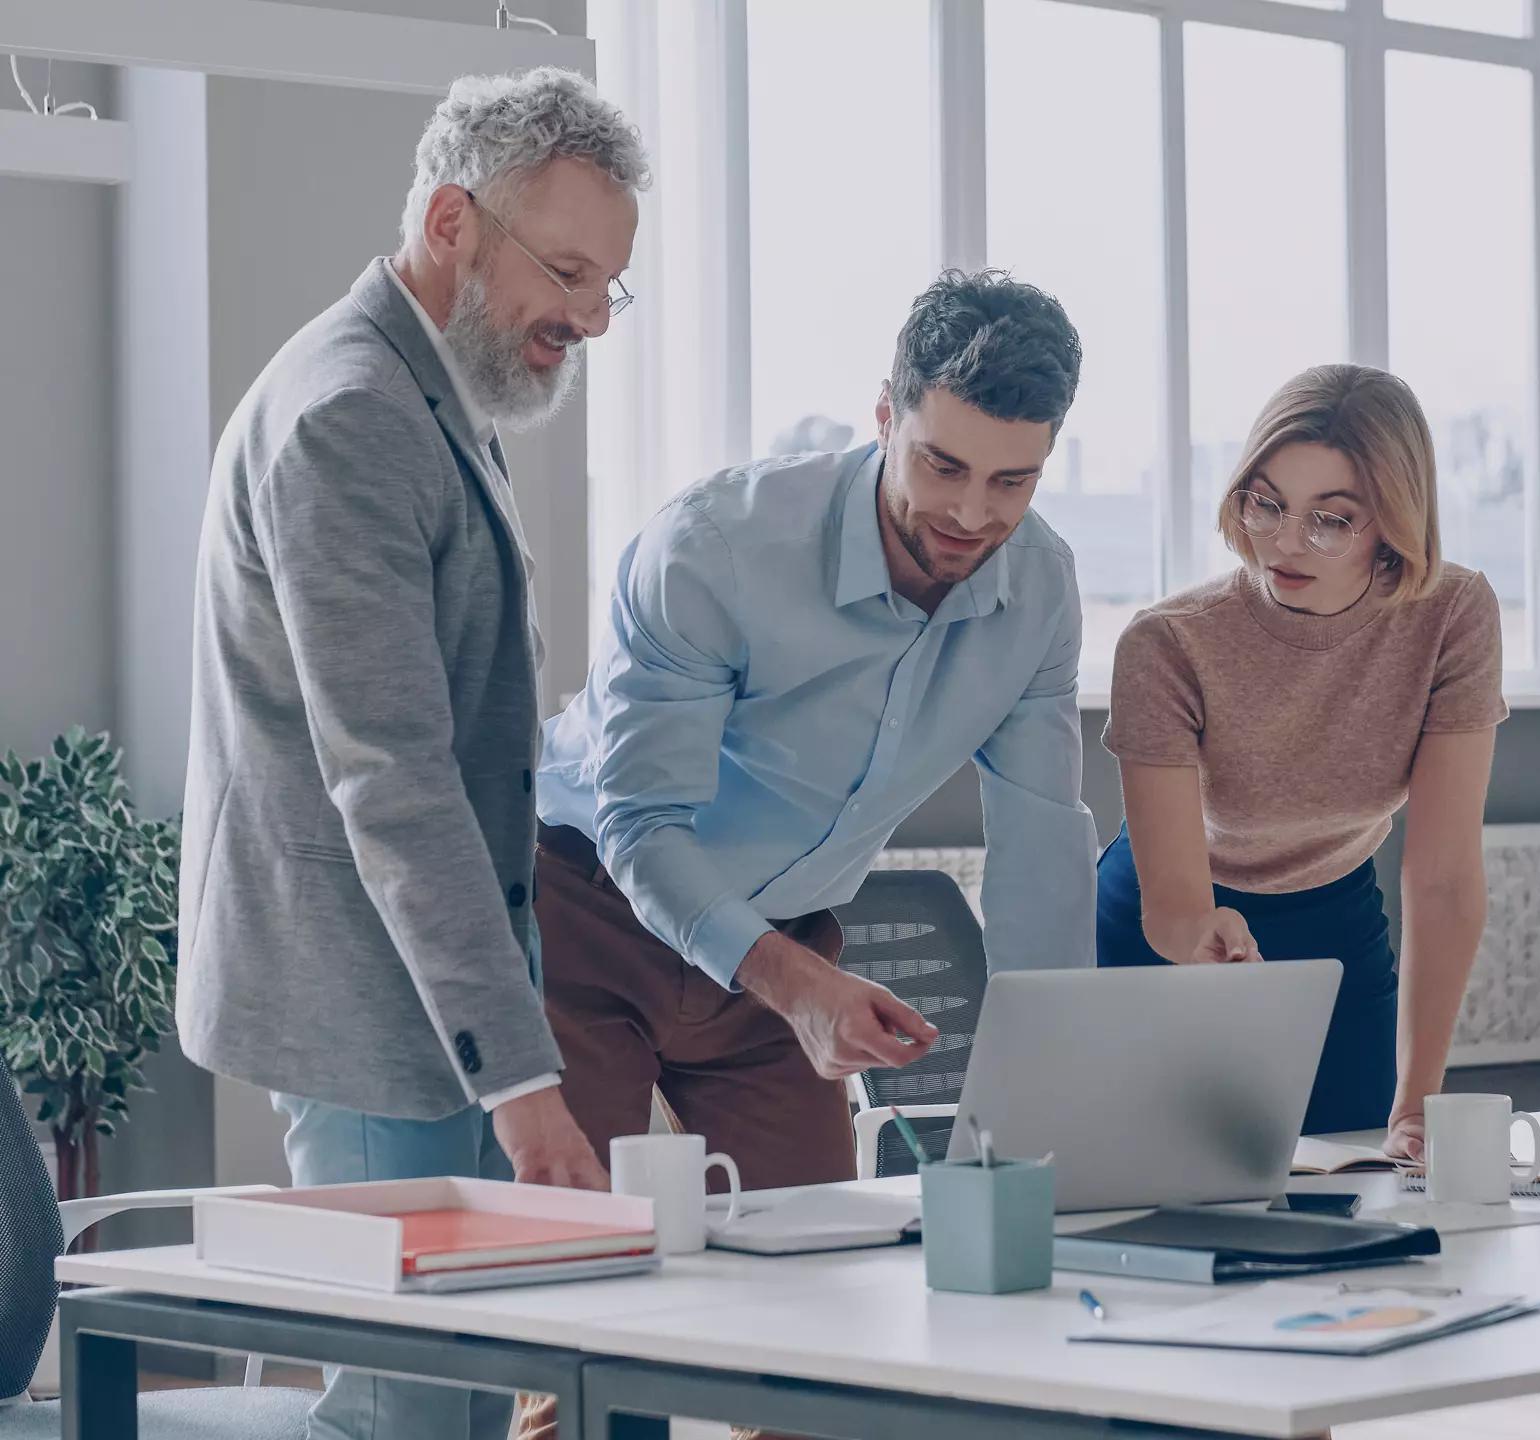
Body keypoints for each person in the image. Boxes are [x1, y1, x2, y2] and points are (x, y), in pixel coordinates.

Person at [514, 269, 1098, 1440]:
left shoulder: (1038, 589)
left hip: (786, 953)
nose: (972, 518)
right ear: (885, 414)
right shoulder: (714, 552)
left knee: (813, 1348)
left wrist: (1056, 1100)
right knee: (582, 1330)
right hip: (585, 918)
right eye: (942, 465)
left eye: (1012, 481)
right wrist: (794, 983)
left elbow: (1040, 844)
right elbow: (642, 828)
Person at [176, 68, 648, 1440]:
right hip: (371, 1006)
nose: (587, 318)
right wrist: (522, 1075)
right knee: (412, 1414)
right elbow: (392, 772)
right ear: (453, 222)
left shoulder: (429, 390)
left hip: (409, 987)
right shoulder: (355, 414)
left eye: (611, 286)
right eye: (566, 272)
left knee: (425, 1398)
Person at [1096, 364, 1506, 1159]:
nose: (1284, 541)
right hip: (1180, 909)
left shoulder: (1453, 614)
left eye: (1331, 519)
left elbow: (1445, 876)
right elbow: (1174, 901)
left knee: (1359, 1177)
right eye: (1268, 503)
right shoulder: (1167, 642)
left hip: (1335, 911)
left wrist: (1420, 1103)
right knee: (1179, 1178)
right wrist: (1198, 934)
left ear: (1392, 520)